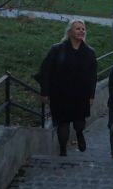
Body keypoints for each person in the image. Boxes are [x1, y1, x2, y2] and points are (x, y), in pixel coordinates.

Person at [36, 18, 97, 156]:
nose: (81, 31)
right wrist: (44, 92)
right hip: (60, 93)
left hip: (81, 94)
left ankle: (79, 133)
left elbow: (93, 76)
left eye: (83, 29)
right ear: (69, 32)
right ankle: (63, 151)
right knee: (63, 123)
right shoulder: (57, 49)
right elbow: (45, 71)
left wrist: (91, 95)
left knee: (79, 121)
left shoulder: (89, 52)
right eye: (78, 28)